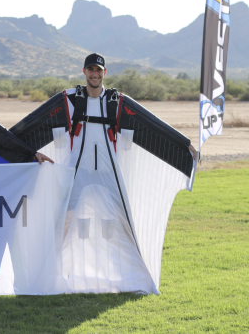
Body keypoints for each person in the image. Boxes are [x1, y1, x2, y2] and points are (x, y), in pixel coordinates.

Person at [10, 53, 198, 294]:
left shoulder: (117, 101)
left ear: (104, 73)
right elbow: (32, 125)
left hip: (110, 173)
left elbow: (152, 126)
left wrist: (184, 145)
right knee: (63, 224)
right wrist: (5, 143)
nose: (95, 74)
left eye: (99, 70)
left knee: (124, 223)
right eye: (91, 69)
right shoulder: (69, 100)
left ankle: (140, 277)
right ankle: (47, 278)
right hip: (76, 173)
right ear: (84, 71)